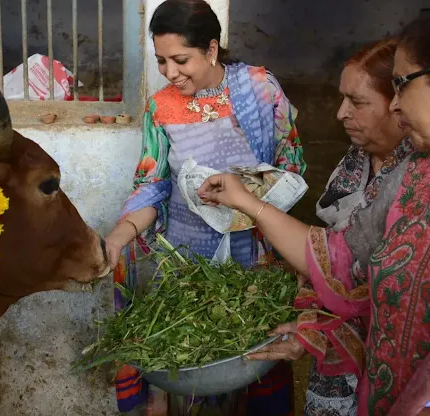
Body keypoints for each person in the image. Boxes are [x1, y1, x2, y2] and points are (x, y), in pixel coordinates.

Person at [197, 17, 430, 416]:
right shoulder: (410, 180)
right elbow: (338, 260)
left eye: (400, 85)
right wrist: (320, 331)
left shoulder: (262, 90)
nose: (395, 102)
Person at [104, 0, 306, 414]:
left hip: (256, 268)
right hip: (186, 271)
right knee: (189, 373)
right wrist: (120, 234)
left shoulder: (260, 88)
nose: (170, 73)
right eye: (161, 61)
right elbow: (151, 184)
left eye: (181, 60)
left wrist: (244, 195)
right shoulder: (160, 109)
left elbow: (293, 167)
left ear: (212, 49)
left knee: (255, 364)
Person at [242, 38, 413, 416]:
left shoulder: (414, 183)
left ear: (399, 105)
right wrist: (311, 330)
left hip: (398, 374)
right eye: (342, 98)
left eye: (358, 102)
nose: (340, 113)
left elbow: (340, 262)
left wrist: (247, 203)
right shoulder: (353, 167)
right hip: (338, 371)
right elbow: (331, 268)